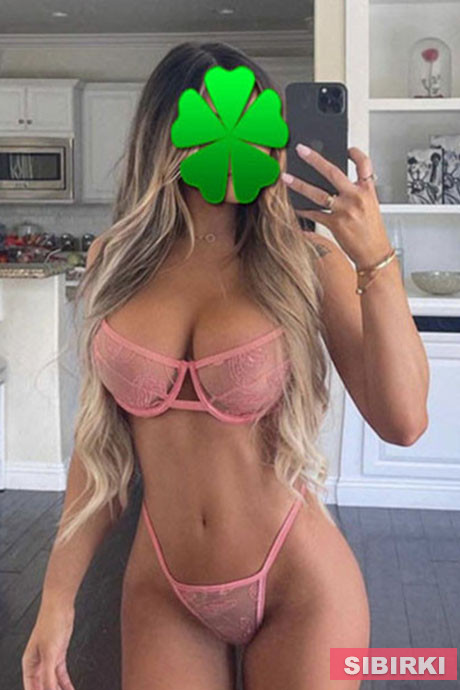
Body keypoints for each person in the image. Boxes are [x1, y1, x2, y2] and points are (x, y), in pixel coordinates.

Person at [21, 41, 429, 690]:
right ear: (169, 135)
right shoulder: (115, 262)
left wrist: (374, 260)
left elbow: (404, 422)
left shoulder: (306, 261)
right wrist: (56, 600)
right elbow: (99, 455)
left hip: (299, 587)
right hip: (164, 589)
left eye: (253, 121)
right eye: (216, 123)